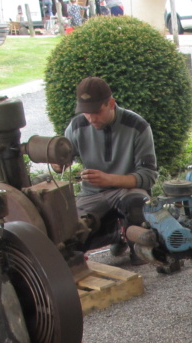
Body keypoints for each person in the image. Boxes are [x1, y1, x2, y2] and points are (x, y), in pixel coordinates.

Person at [64, 76, 158, 260]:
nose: (91, 118)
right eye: (86, 112)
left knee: (137, 206)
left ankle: (135, 246)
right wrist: (58, 161)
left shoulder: (137, 126)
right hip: (92, 194)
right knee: (71, 236)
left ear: (111, 103)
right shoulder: (76, 126)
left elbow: (149, 176)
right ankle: (118, 233)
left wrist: (109, 179)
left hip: (127, 189)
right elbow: (62, 157)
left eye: (96, 111)